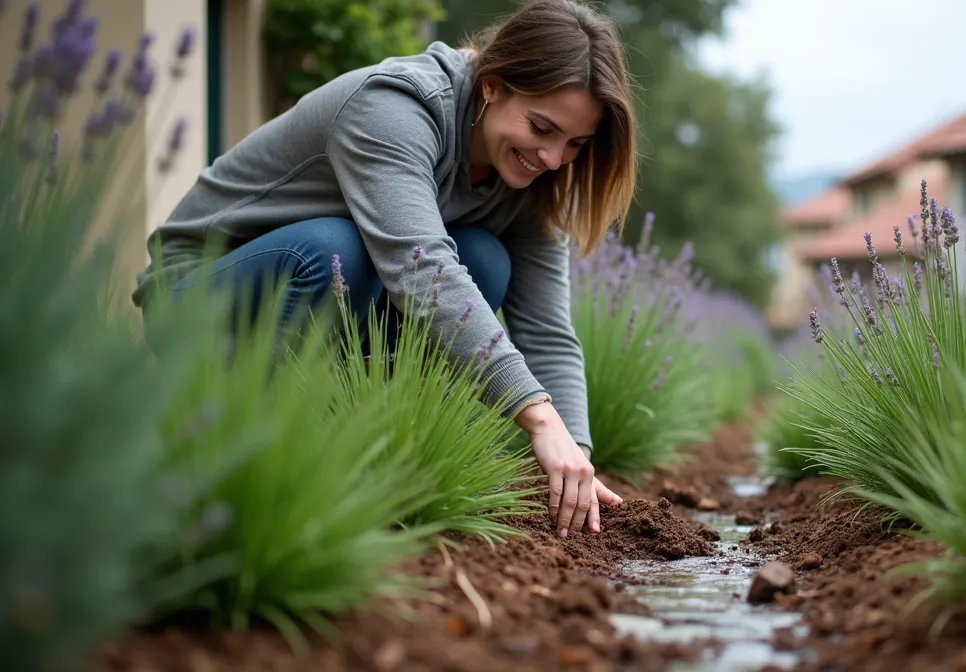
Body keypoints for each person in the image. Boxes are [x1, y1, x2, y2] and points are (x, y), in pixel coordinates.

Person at [131, 0, 635, 539]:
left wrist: (573, 460)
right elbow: (421, 268)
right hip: (198, 296)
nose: (553, 159)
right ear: (492, 85)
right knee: (336, 250)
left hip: (325, 294)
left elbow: (546, 329)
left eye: (575, 145)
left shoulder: (530, 180)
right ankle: (260, 451)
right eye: (541, 127)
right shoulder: (394, 107)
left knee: (484, 259)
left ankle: (366, 448)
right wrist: (535, 414)